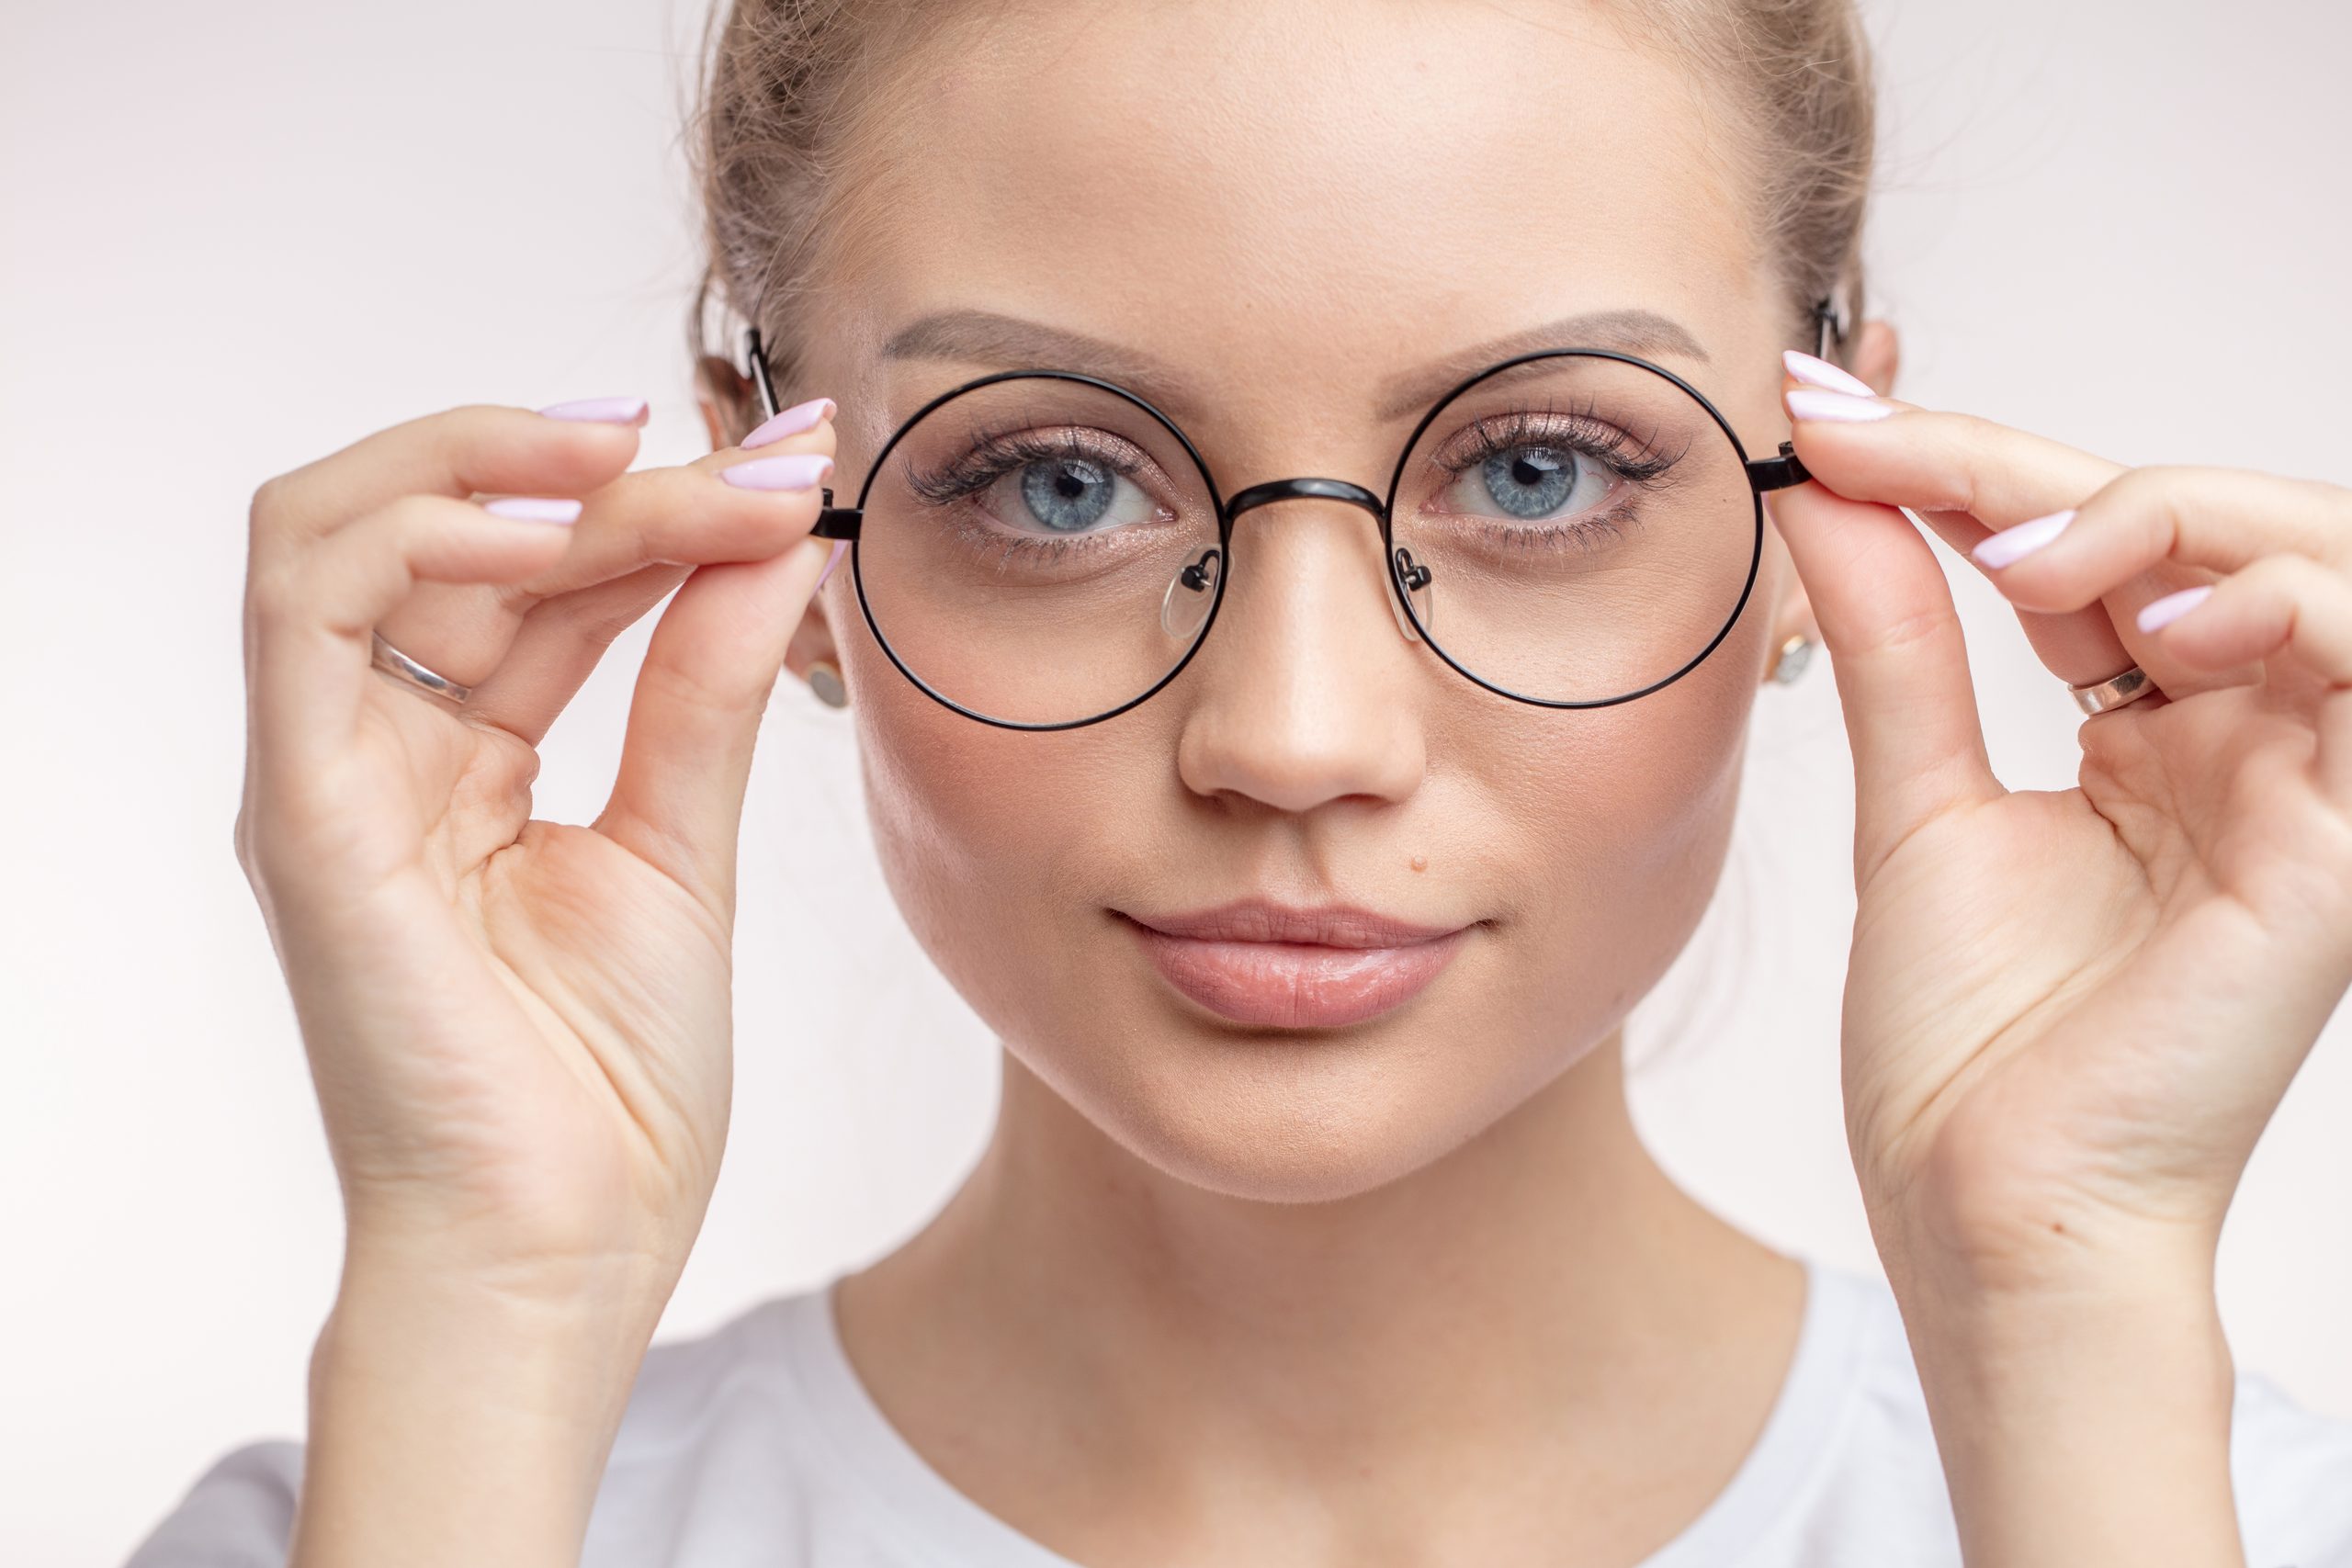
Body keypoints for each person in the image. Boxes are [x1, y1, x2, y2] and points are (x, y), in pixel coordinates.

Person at [130, 0, 2352, 1563]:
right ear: (775, 513)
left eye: (1537, 461)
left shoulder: (2213, 1521)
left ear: (1821, 499)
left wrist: (2061, 1303)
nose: (1293, 733)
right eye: (1059, 479)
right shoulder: (396, 1515)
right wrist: (486, 1291)